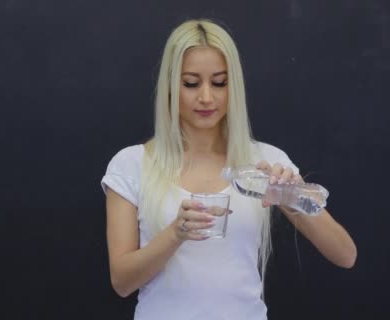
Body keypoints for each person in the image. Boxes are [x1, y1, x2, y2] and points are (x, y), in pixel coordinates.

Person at [100, 19, 357, 320]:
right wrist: (175, 234)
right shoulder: (131, 165)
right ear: (170, 86)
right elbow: (122, 281)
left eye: (220, 82)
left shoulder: (265, 162)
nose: (206, 97)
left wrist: (293, 199)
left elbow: (345, 255)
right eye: (191, 83)